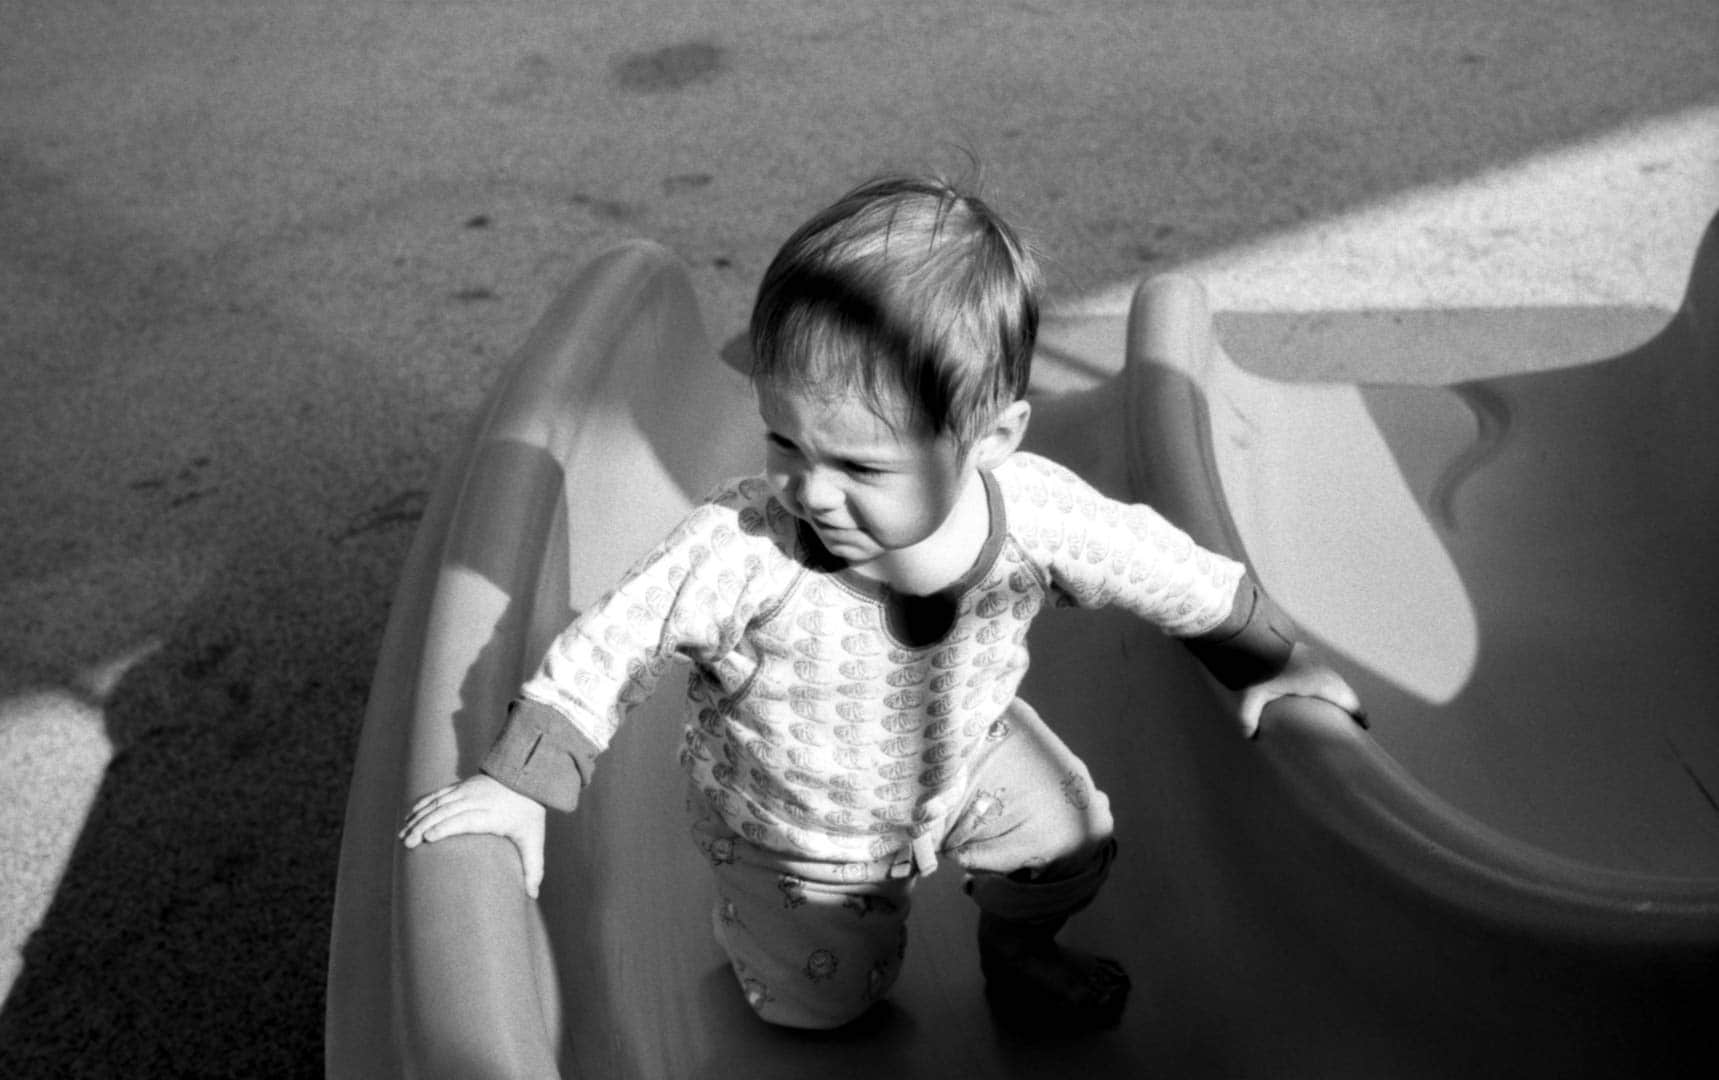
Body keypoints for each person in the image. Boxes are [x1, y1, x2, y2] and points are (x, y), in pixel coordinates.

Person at [399, 174, 1364, 1035]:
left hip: (969, 756)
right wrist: (517, 787)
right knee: (819, 1008)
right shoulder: (744, 548)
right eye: (785, 441)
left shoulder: (1034, 518)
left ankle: (1019, 956)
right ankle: (799, 962)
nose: (811, 492)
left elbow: (1169, 569)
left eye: (860, 465)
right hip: (794, 831)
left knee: (1071, 843)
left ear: (990, 438)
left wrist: (1272, 658)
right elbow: (610, 642)